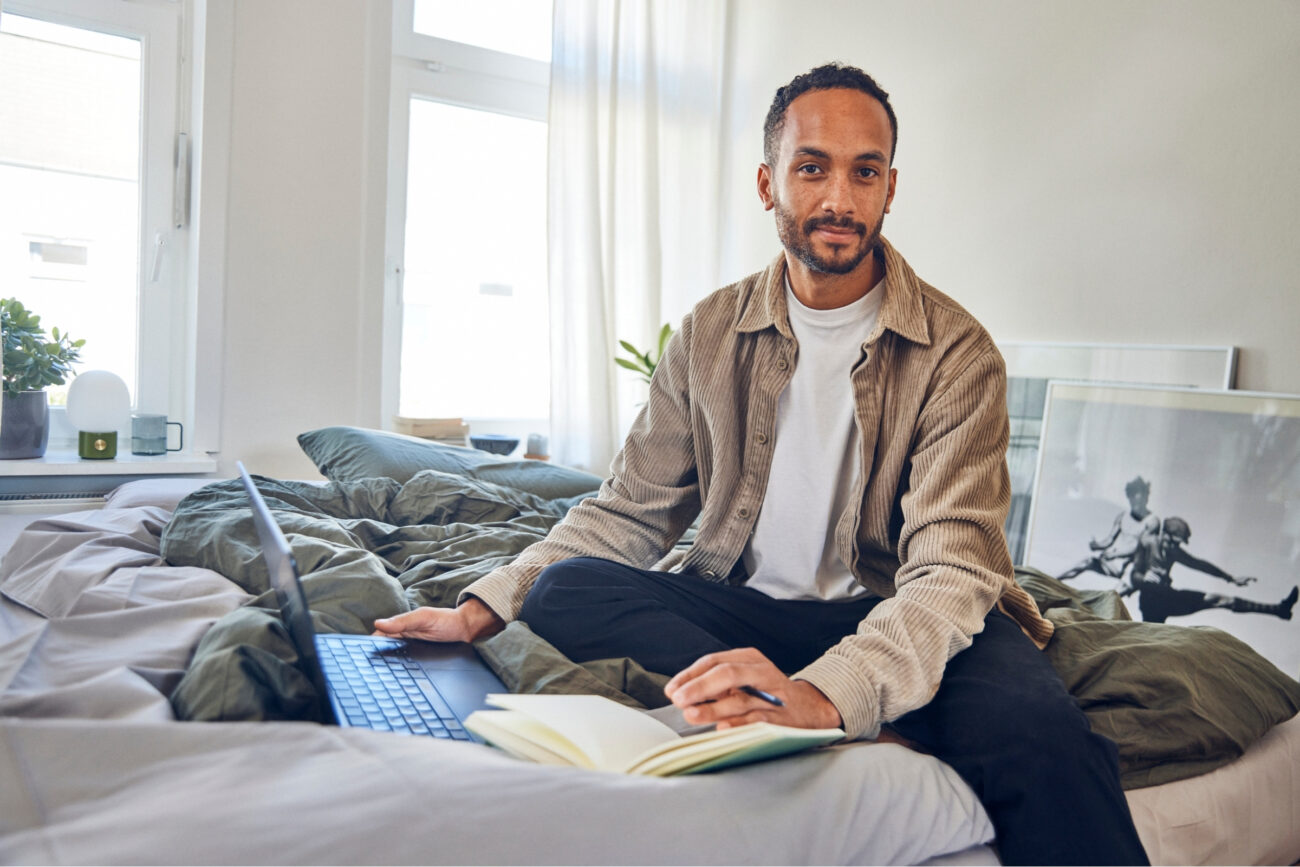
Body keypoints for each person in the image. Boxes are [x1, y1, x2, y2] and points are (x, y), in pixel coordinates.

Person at [375, 63, 1148, 865]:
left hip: (903, 606)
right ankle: (815, 692)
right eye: (812, 168)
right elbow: (628, 509)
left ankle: (837, 694)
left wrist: (825, 692)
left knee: (1047, 741)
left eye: (865, 171)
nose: (840, 201)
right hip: (745, 607)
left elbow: (953, 574)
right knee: (566, 589)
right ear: (768, 182)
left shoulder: (958, 353)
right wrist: (483, 607)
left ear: (890, 187)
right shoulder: (709, 333)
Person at [1127, 516, 1298, 623]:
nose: (1175, 547)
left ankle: (1278, 609)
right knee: (1152, 645)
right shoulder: (1147, 543)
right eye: (1175, 542)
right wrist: (1144, 578)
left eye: (1178, 544)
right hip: (1151, 604)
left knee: (1222, 600)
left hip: (1169, 597)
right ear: (1165, 535)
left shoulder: (1173, 551)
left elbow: (1200, 564)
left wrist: (1230, 578)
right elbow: (1134, 576)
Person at [1058, 475, 1160, 582]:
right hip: (1111, 560)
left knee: (1124, 583)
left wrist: (1114, 554)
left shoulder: (1152, 521)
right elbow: (1109, 540)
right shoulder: (1123, 516)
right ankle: (1054, 580)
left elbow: (1139, 549)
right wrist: (1097, 545)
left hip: (1131, 568)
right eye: (1132, 498)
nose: (1134, 502)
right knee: (1087, 562)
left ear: (1146, 496)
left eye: (1139, 499)